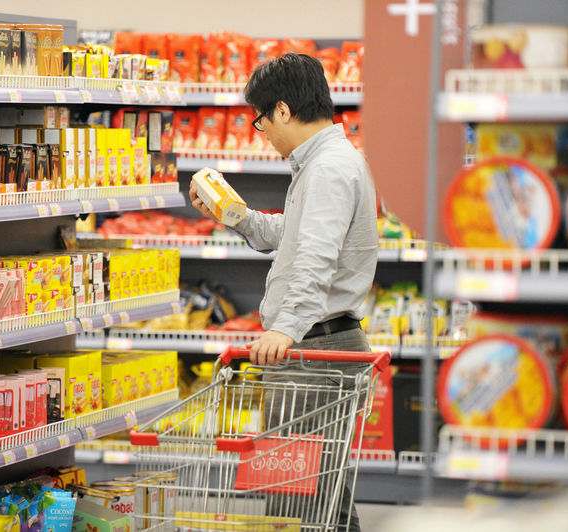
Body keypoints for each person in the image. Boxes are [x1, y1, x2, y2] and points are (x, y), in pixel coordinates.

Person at [189, 52, 378, 532]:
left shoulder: (328, 169)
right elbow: (297, 237)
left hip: (317, 349)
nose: (263, 132)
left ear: (283, 111)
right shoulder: (323, 163)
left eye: (260, 119)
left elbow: (315, 257)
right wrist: (237, 218)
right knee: (324, 499)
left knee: (298, 499)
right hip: (320, 345)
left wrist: (285, 329)